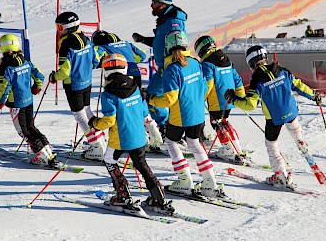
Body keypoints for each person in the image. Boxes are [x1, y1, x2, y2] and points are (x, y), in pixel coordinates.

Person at [224, 45, 322, 189]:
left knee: (272, 145)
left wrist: (233, 99)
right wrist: (314, 96)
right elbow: (298, 85)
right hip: (291, 112)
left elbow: (250, 105)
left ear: (251, 63)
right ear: (265, 57)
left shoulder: (257, 79)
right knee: (294, 128)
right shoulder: (281, 70)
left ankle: (281, 176)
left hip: (274, 119)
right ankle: (301, 142)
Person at [87, 53, 173, 211]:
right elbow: (143, 113)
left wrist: (94, 123)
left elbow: (109, 121)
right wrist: (152, 128)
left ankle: (123, 195)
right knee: (142, 165)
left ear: (105, 72)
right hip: (139, 137)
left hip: (120, 139)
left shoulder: (108, 94)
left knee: (109, 160)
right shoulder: (136, 87)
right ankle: (159, 198)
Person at [148, 30, 224, 198]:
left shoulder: (171, 69)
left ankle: (184, 181)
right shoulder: (195, 63)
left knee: (171, 142)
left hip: (181, 116)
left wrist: (151, 99)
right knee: (194, 143)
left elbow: (169, 99)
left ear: (167, 47)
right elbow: (204, 89)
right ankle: (210, 182)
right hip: (198, 114)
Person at [0, 34, 60, 167]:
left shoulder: (4, 67)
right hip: (28, 100)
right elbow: (39, 76)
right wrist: (36, 88)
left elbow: (4, 89)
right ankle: (47, 149)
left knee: (24, 131)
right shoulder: (25, 60)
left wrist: (0, 102)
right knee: (31, 127)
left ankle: (41, 155)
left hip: (16, 103)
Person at [91, 30, 163, 151]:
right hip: (135, 74)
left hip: (119, 77)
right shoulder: (125, 43)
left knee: (123, 109)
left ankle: (138, 139)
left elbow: (95, 60)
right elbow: (141, 56)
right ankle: (152, 129)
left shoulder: (102, 47)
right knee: (138, 104)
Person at [49, 11, 107, 161]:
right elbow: (95, 60)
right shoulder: (86, 39)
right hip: (87, 82)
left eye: (59, 26)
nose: (58, 29)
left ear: (66, 27)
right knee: (87, 111)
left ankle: (96, 146)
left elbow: (65, 71)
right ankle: (100, 140)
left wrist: (55, 77)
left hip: (73, 85)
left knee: (79, 115)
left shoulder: (66, 44)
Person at [132, 0, 187, 139]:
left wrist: (174, 68)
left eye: (154, 2)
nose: (151, 5)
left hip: (169, 69)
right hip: (165, 68)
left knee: (151, 99)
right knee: (159, 99)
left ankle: (166, 129)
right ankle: (170, 128)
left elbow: (178, 44)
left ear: (162, 4)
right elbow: (162, 42)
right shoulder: (165, 19)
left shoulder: (172, 21)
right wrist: (143, 39)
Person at [194, 35, 249, 164]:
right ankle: (237, 149)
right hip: (229, 99)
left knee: (216, 123)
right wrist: (239, 96)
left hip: (216, 101)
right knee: (224, 122)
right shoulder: (227, 61)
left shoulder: (207, 64)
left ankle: (229, 150)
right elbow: (237, 79)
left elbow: (208, 84)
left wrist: (199, 99)